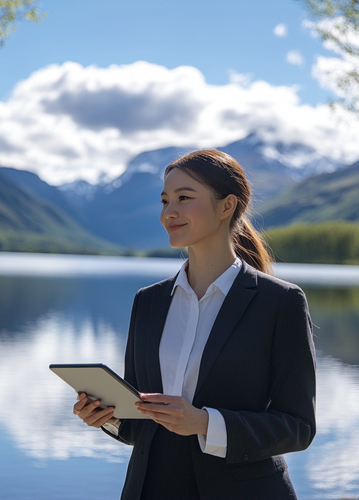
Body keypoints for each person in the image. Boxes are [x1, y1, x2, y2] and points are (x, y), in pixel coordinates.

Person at [73, 149, 316, 500]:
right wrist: (106, 415)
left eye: (184, 198)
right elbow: (139, 423)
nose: (168, 212)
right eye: (164, 200)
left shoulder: (280, 303)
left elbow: (298, 427)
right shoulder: (149, 301)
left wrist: (204, 423)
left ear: (226, 206)